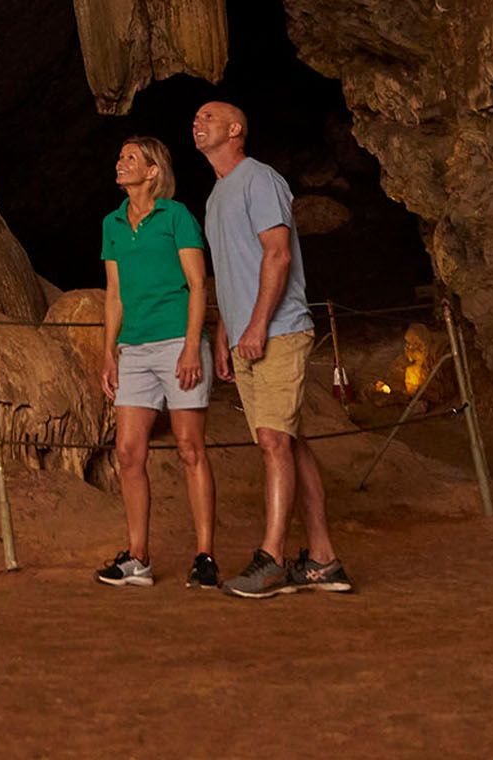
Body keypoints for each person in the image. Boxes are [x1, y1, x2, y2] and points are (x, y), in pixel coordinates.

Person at [195, 100, 355, 598]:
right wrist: (224, 332)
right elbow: (229, 271)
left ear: (236, 128)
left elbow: (278, 253)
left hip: (278, 329)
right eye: (196, 118)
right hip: (248, 334)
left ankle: (272, 560)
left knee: (272, 442)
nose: (197, 122)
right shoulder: (218, 194)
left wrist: (259, 326)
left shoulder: (258, 180)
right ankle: (324, 560)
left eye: (208, 117)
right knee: (290, 441)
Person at [93, 135, 218, 589]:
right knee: (128, 452)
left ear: (152, 171)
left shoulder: (176, 216)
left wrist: (190, 346)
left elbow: (197, 284)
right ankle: (138, 556)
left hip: (175, 341)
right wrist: (109, 352)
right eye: (120, 155)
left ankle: (205, 556)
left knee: (190, 448)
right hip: (136, 347)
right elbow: (114, 294)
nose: (120, 162)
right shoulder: (111, 223)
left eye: (130, 158)